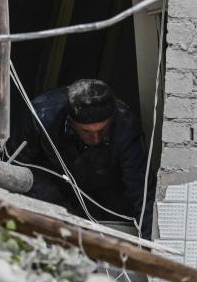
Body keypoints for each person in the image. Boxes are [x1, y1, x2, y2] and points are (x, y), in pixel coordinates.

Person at [9, 79, 155, 239]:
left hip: (107, 191)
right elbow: (18, 165)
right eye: (86, 131)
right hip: (55, 184)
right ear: (72, 123)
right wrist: (56, 204)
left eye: (103, 129)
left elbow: (142, 192)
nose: (95, 138)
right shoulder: (41, 115)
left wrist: (149, 245)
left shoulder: (126, 125)